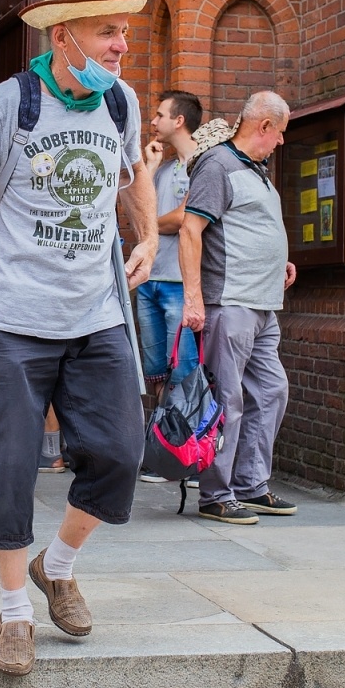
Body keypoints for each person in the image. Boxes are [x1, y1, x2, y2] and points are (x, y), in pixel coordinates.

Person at [0, 0, 158, 676]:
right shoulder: (7, 107)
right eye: (107, 30)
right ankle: (14, 614)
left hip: (96, 314)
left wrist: (147, 234)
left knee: (122, 452)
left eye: (124, 29)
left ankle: (56, 565)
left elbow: (133, 173)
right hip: (11, 317)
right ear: (64, 37)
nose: (122, 44)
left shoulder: (120, 103)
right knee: (6, 468)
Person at [180, 91, 299, 525]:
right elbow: (192, 231)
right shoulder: (219, 165)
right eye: (280, 133)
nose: (282, 142)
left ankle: (251, 485)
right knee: (226, 400)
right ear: (264, 127)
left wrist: (277, 259)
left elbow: (249, 228)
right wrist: (194, 298)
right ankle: (215, 494)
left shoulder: (256, 170)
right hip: (230, 303)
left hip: (263, 304)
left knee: (271, 391)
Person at [135, 90, 203, 483]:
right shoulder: (162, 166)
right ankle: (165, 452)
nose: (154, 120)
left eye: (160, 114)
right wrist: (148, 166)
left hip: (178, 282)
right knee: (157, 370)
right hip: (150, 280)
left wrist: (149, 226)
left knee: (185, 370)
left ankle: (189, 455)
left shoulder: (200, 163)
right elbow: (142, 210)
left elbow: (183, 218)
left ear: (179, 120)